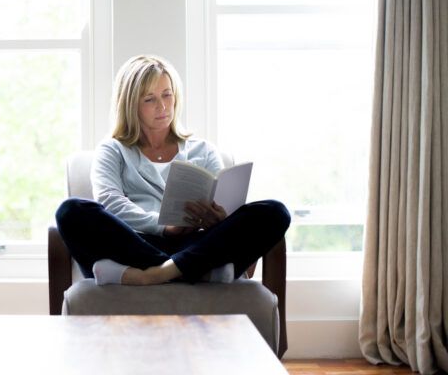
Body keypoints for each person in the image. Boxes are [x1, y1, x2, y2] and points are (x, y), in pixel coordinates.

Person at [55, 55, 290, 286]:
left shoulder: (203, 150)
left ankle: (150, 275)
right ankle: (198, 272)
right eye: (150, 99)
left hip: (197, 243)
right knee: (71, 211)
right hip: (136, 243)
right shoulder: (113, 149)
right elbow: (111, 202)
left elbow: (224, 208)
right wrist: (164, 227)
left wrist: (220, 219)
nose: (163, 106)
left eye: (167, 94)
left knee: (274, 211)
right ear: (130, 105)